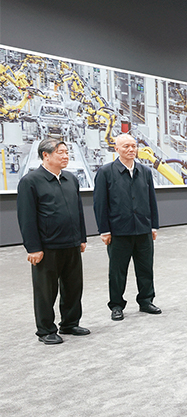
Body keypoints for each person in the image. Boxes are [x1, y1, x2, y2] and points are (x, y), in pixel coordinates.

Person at [17, 139, 90, 344]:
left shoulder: (70, 179)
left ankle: (70, 323)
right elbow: (26, 217)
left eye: (67, 152)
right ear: (45, 155)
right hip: (47, 247)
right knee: (46, 291)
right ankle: (46, 330)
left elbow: (78, 211)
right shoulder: (31, 181)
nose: (66, 156)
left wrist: (81, 237)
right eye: (60, 152)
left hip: (71, 243)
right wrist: (33, 247)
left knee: (73, 287)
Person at [93, 133, 160, 321]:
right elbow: (100, 204)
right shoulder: (106, 172)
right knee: (117, 271)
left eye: (133, 146)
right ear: (116, 149)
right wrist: (104, 230)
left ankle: (146, 301)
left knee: (145, 268)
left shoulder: (145, 172)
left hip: (143, 230)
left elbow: (151, 200)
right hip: (118, 231)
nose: (131, 149)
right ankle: (116, 305)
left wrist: (153, 226)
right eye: (126, 146)